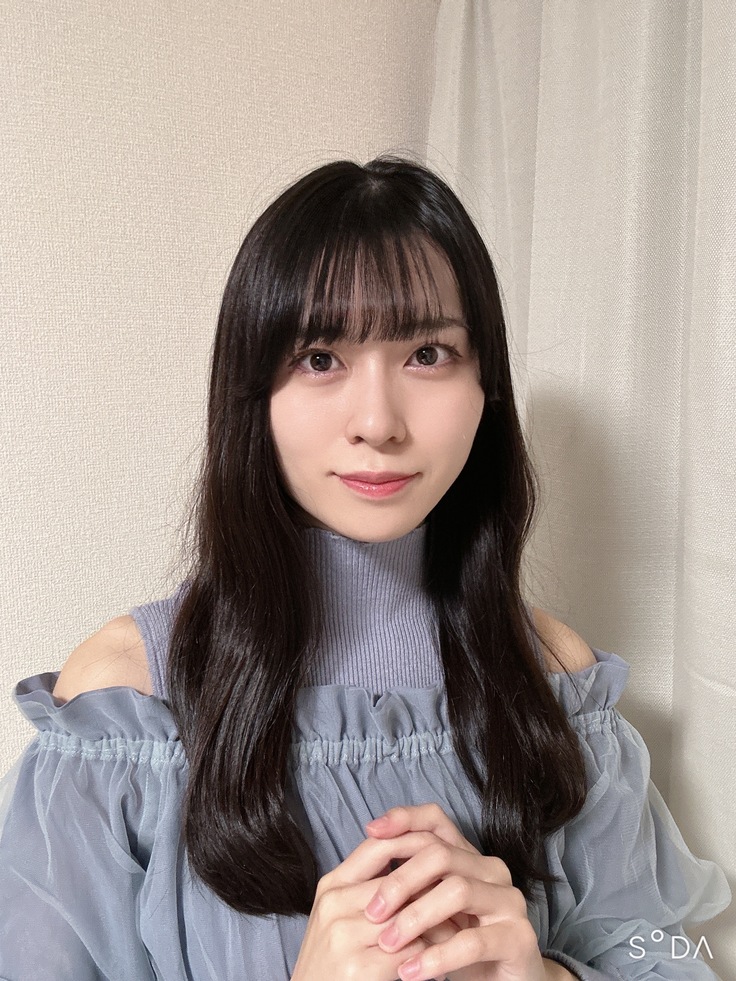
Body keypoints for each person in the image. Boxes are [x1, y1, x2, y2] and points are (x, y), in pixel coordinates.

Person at [0, 157, 730, 981]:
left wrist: (547, 976)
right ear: (253, 391)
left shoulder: (555, 680)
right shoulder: (128, 705)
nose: (378, 421)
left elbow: (670, 954)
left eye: (428, 353)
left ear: (486, 384)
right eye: (320, 358)